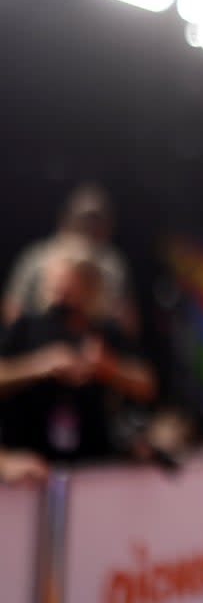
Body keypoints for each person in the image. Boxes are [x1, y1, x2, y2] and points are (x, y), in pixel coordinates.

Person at [0, 234, 157, 466]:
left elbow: (147, 384)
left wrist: (108, 367)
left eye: (69, 284)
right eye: (55, 282)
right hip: (31, 465)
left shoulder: (105, 332)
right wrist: (40, 366)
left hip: (94, 464)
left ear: (90, 286)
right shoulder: (25, 328)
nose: (61, 292)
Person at [3, 181, 139, 339]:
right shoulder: (38, 256)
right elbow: (12, 306)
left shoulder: (112, 263)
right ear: (66, 218)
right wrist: (30, 344)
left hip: (93, 343)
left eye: (97, 221)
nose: (90, 227)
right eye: (85, 219)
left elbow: (128, 320)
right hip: (39, 341)